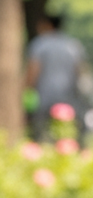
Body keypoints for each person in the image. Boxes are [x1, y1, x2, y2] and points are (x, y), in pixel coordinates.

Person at [25, 13, 89, 141]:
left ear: (48, 25)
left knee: (42, 134)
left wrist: (26, 91)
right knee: (68, 134)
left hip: (44, 97)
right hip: (69, 97)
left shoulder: (39, 44)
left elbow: (33, 72)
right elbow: (81, 72)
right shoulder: (73, 45)